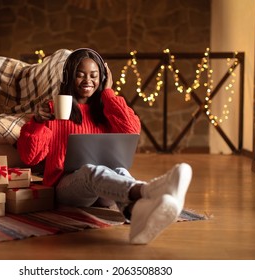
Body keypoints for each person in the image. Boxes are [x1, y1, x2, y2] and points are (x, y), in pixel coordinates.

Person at [17, 48, 192, 245]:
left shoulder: (106, 109)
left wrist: (108, 93)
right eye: (80, 75)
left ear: (102, 78)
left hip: (104, 191)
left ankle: (137, 215)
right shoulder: (51, 109)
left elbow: (132, 130)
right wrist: (38, 122)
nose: (87, 81)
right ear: (68, 77)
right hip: (68, 187)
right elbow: (30, 157)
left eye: (94, 75)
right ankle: (148, 191)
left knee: (119, 169)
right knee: (91, 170)